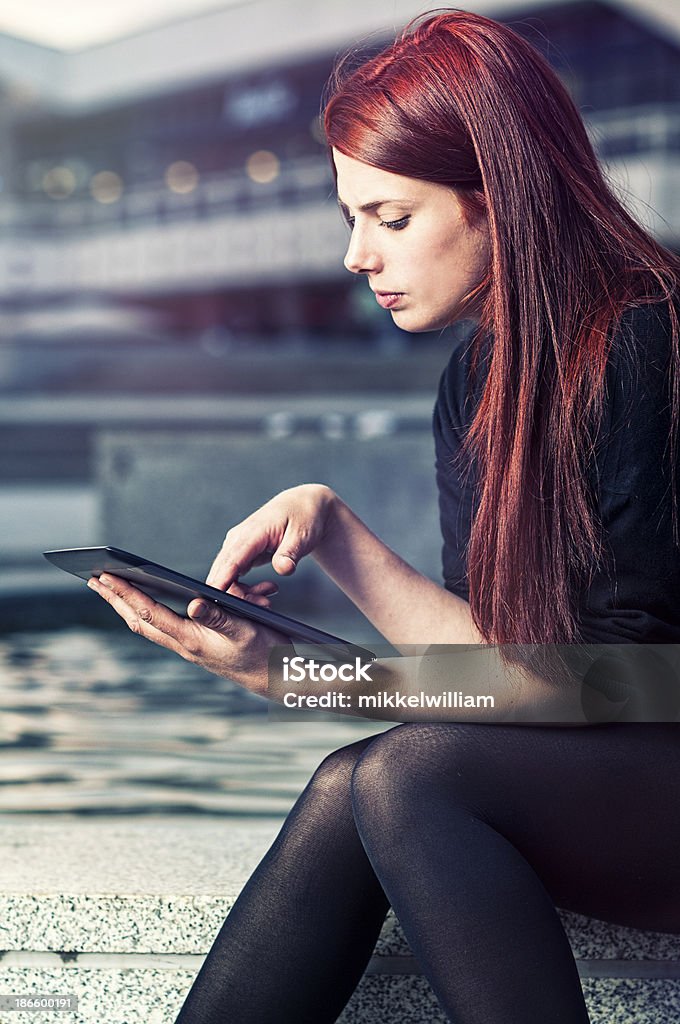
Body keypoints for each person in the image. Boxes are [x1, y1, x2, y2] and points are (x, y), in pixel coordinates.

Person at [88, 9, 680, 1022]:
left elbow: (619, 684)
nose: (357, 256)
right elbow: (506, 669)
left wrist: (295, 673)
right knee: (349, 783)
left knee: (406, 773)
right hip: (619, 771)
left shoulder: (643, 342)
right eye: (350, 217)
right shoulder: (476, 380)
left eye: (388, 217)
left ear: (500, 199)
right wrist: (332, 534)